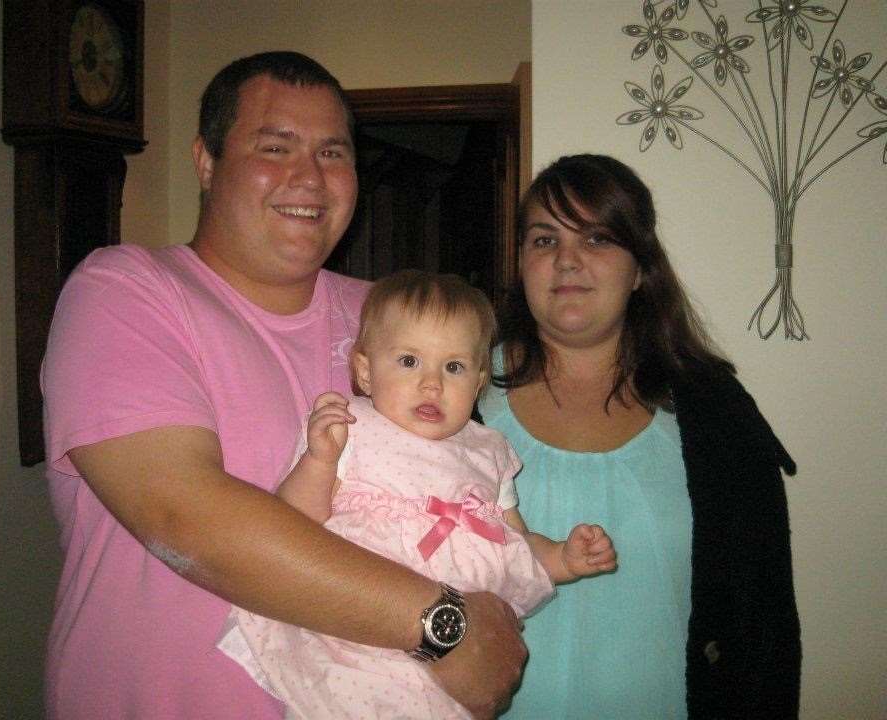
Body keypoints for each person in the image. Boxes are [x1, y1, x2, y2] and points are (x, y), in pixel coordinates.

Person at [40, 52, 527, 720]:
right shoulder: (126, 293)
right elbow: (185, 518)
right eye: (275, 147)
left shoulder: (390, 319)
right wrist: (442, 625)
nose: (309, 177)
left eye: (333, 152)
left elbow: (488, 450)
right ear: (207, 161)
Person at [478, 154, 801, 719]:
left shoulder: (714, 413)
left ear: (639, 269)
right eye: (544, 240)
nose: (568, 262)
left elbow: (762, 625)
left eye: (598, 239)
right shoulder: (455, 400)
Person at [217, 270, 618, 719]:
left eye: (453, 367)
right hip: (357, 631)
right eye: (409, 362)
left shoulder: (490, 451)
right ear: (366, 372)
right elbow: (293, 521)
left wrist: (563, 558)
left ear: (479, 379)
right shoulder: (350, 426)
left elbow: (515, 542)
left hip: (457, 655)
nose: (432, 384)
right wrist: (319, 460)